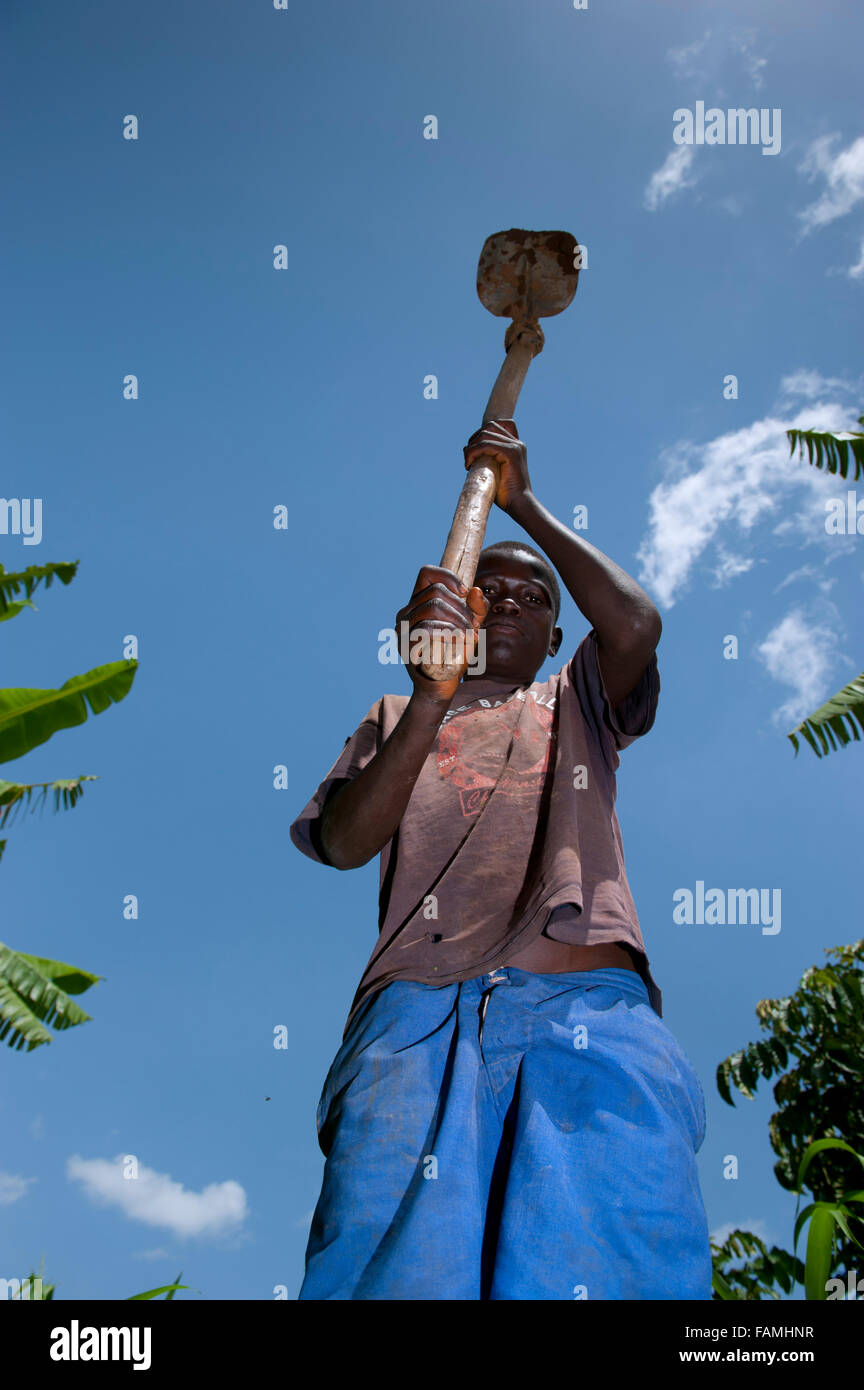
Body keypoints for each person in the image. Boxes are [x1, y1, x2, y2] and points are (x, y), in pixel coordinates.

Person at [290, 419, 712, 1300]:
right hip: (413, 1017)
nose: (512, 603)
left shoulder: (578, 701)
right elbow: (344, 842)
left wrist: (521, 502)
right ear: (462, 616)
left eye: (535, 599)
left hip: (588, 1011)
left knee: (615, 1265)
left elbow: (636, 622)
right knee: (393, 1278)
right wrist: (428, 696)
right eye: (491, 592)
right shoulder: (391, 712)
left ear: (559, 637)